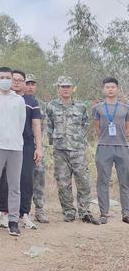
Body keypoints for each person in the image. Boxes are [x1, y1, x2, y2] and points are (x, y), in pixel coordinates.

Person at [46, 76, 99, 225]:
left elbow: (85, 124)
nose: (65, 89)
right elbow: (49, 125)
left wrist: (79, 140)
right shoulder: (51, 106)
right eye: (62, 86)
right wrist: (54, 141)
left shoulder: (81, 106)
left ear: (72, 89)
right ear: (58, 88)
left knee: (83, 181)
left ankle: (84, 211)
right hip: (60, 150)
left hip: (78, 150)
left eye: (68, 86)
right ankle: (69, 211)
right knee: (63, 182)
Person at [0, 67, 26, 237]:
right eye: (2, 77)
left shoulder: (19, 100)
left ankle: (13, 221)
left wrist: (14, 138)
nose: (6, 80)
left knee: (14, 186)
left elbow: (21, 124)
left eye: (8, 77)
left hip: (15, 148)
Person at [0, 70, 43, 230]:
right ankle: (5, 213)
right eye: (14, 79)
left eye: (20, 80)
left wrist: (39, 147)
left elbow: (36, 124)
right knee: (5, 179)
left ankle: (24, 214)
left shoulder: (30, 100)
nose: (16, 83)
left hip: (26, 144)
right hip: (6, 143)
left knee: (26, 179)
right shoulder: (2, 97)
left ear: (24, 83)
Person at [93, 77, 129, 224]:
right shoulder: (98, 108)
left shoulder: (125, 107)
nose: (110, 89)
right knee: (103, 181)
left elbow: (127, 127)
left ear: (117, 89)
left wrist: (122, 136)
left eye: (113, 87)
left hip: (122, 147)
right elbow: (97, 127)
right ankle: (104, 213)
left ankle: (126, 213)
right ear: (103, 89)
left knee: (125, 181)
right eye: (107, 87)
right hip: (104, 147)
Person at [25, 74, 50, 223]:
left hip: (38, 146)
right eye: (28, 83)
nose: (30, 86)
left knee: (39, 178)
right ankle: (22, 211)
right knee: (23, 179)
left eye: (33, 84)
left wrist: (40, 146)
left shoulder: (41, 104)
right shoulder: (18, 100)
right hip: (22, 147)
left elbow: (44, 126)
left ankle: (39, 210)